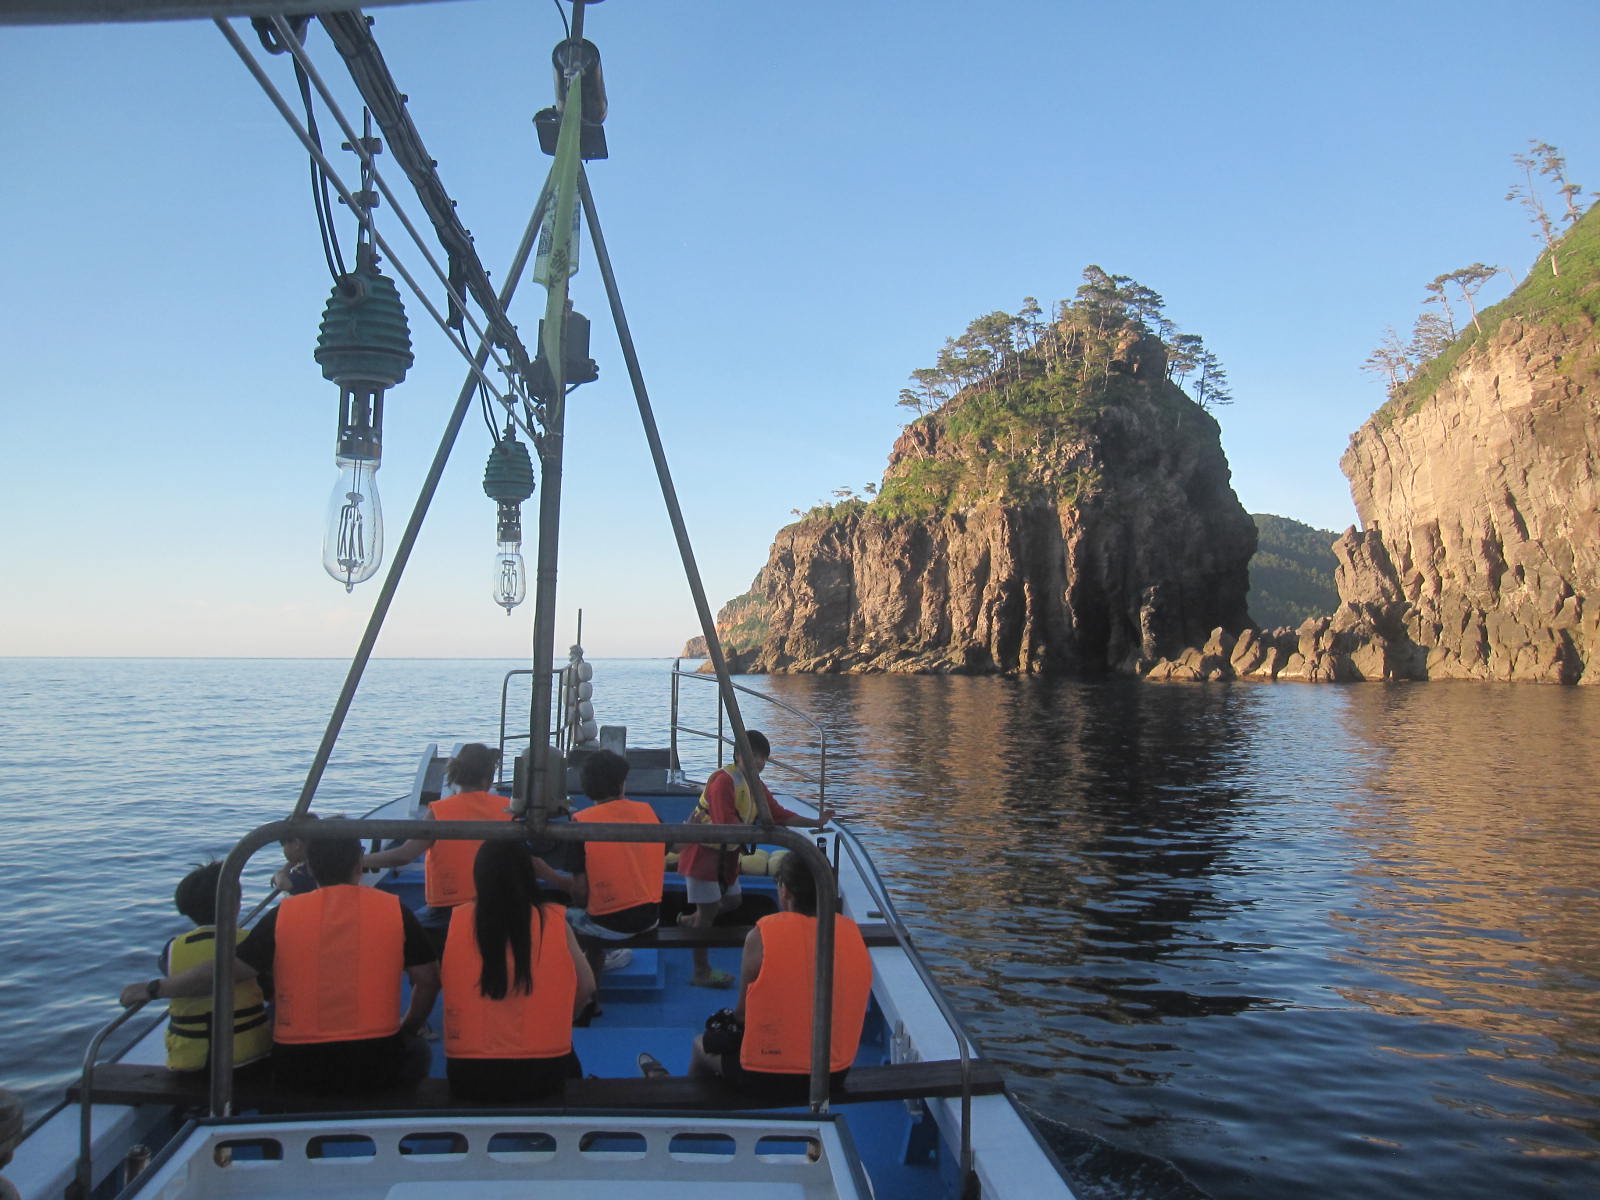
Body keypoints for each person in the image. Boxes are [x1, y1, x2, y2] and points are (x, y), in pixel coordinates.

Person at [123, 835, 440, 1095]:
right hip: (377, 1061)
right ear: (359, 865)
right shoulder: (395, 910)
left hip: (299, 1065)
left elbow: (224, 971)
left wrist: (155, 988)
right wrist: (408, 1027)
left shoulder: (282, 916)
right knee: (418, 1051)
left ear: (310, 868)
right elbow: (427, 980)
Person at [657, 851, 871, 1099]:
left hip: (765, 1076)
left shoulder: (760, 937)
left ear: (785, 892)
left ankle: (690, 1107)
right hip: (832, 1075)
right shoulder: (852, 934)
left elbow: (742, 1016)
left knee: (701, 1045)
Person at [441, 840, 595, 1101]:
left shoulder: (457, 921)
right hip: (544, 1073)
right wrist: (561, 1018)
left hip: (469, 1075)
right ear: (528, 874)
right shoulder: (554, 920)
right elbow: (587, 987)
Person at [676, 731, 831, 987]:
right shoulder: (723, 782)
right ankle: (700, 970)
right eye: (754, 756)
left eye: (763, 758)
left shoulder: (756, 786)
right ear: (738, 755)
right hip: (702, 854)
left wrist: (816, 822)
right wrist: (757, 830)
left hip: (727, 857)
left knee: (733, 900)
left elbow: (778, 814)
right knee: (708, 914)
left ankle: (691, 920)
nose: (759, 762)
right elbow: (725, 823)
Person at [534, 749, 663, 983]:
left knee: (546, 915)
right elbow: (671, 847)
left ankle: (573, 977)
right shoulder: (648, 812)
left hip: (609, 925)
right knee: (594, 913)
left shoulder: (581, 824)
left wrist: (547, 873)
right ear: (621, 784)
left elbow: (580, 894)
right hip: (650, 919)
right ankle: (602, 959)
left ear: (586, 787)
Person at [362, 744, 511, 938]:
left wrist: (362, 861)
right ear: (488, 778)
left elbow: (404, 855)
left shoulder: (439, 811)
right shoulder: (507, 808)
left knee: (401, 933)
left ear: (455, 774)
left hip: (447, 911)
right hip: (500, 906)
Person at [156, 861, 271, 1074]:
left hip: (186, 1061)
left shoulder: (171, 949)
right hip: (248, 1058)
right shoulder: (252, 943)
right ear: (235, 904)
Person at [271, 811, 320, 896]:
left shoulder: (305, 873)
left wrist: (280, 874)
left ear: (297, 844)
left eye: (283, 844)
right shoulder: (321, 863)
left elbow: (282, 883)